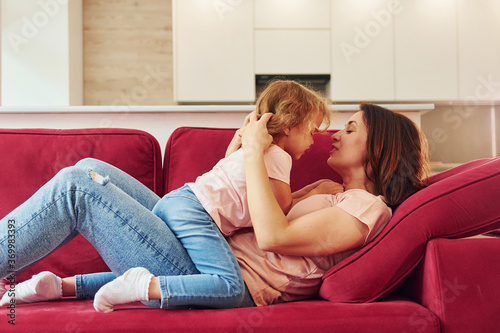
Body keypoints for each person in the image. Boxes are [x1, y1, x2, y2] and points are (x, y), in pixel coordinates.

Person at [0, 103, 429, 310]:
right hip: (201, 250)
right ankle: (57, 285)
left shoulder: (368, 209)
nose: (335, 132)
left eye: (351, 128)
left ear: (380, 148)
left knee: (78, 187)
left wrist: (257, 151)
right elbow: (244, 208)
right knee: (92, 168)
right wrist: (242, 151)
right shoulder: (328, 188)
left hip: (212, 276)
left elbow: (272, 234)